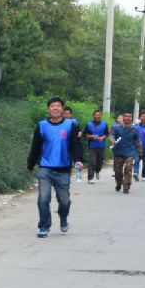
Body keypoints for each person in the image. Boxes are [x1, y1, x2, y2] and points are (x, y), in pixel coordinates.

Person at [26, 97, 83, 238]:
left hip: (63, 168)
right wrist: (30, 164)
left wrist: (78, 160)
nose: (55, 108)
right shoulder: (42, 125)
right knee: (43, 198)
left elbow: (75, 144)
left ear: (62, 109)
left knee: (64, 200)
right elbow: (35, 146)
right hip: (45, 167)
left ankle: (63, 217)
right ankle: (44, 226)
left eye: (58, 106)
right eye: (52, 106)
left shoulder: (70, 125)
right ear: (48, 109)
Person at [111, 112, 142, 194]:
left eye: (129, 117)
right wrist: (113, 141)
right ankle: (119, 183)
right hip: (119, 151)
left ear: (131, 118)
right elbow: (111, 136)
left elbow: (137, 140)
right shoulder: (117, 128)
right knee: (118, 170)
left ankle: (126, 185)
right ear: (123, 118)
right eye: (126, 116)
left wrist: (140, 150)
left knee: (128, 168)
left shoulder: (135, 129)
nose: (128, 118)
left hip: (130, 152)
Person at [84, 109, 109, 183]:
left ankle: (97, 171)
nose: (98, 116)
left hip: (101, 146)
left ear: (101, 116)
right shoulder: (89, 124)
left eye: (99, 115)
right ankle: (90, 178)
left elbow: (107, 134)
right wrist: (91, 136)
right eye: (96, 115)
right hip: (92, 146)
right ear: (93, 116)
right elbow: (85, 134)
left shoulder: (104, 124)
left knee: (100, 162)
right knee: (92, 161)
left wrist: (102, 138)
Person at [133, 112, 145, 181]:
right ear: (140, 118)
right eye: (141, 116)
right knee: (136, 160)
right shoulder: (136, 126)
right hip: (137, 147)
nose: (142, 118)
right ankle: (136, 173)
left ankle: (144, 175)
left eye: (144, 117)